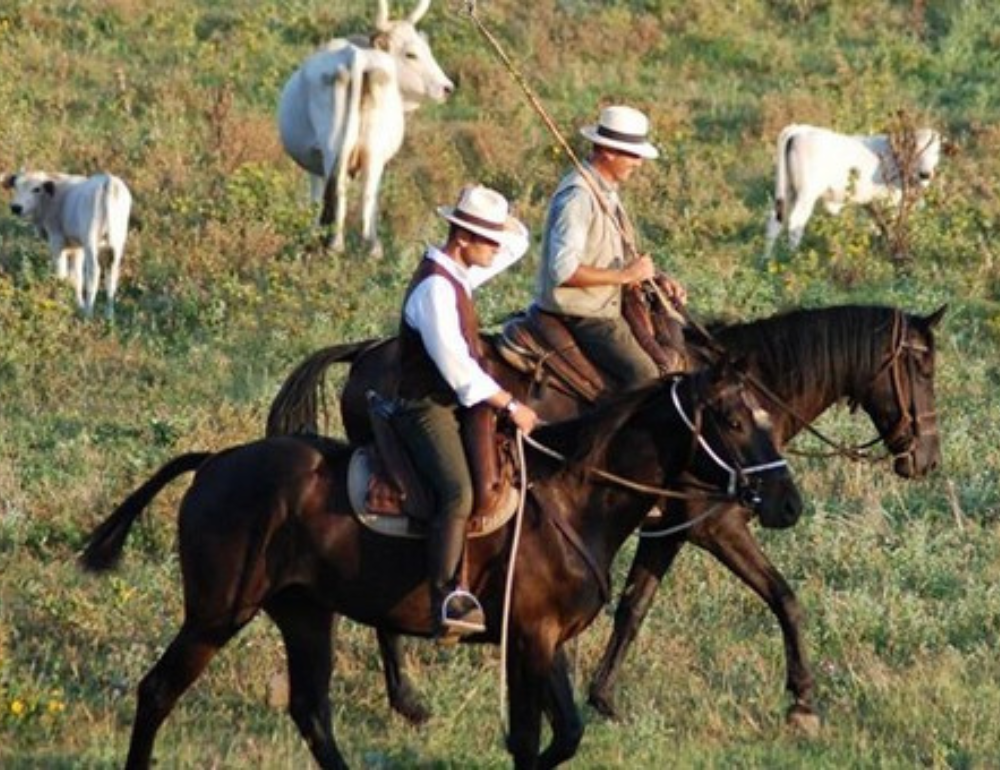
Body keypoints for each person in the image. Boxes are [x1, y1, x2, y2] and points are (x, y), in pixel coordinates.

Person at [395, 184, 540, 637]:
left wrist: (496, 218)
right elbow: (459, 371)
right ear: (463, 240)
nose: (497, 250)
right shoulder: (437, 289)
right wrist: (511, 405)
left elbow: (516, 244)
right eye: (488, 240)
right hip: (426, 406)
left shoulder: (458, 273)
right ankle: (445, 597)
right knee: (458, 492)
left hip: (451, 400)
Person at [535, 104, 688, 388]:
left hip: (607, 302)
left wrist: (654, 278)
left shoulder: (607, 191)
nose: (639, 163)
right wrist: (625, 277)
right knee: (646, 378)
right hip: (583, 313)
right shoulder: (578, 197)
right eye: (632, 154)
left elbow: (614, 254)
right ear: (608, 151)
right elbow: (563, 271)